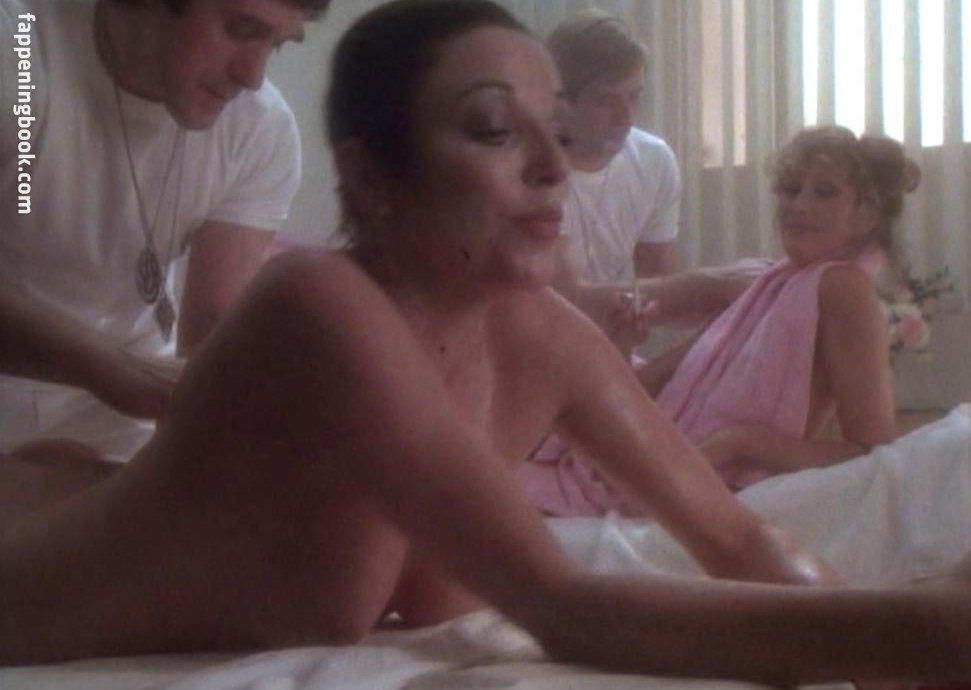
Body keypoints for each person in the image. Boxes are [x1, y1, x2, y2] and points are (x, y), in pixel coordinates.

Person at [1, 1, 969, 684]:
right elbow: (559, 603)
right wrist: (920, 631)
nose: (554, 168)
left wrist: (871, 659)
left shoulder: (538, 335)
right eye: (495, 130)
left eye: (554, 129)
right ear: (369, 177)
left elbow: (737, 537)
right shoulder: (319, 305)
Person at [0, 0, 328, 466]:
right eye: (240, 29)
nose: (252, 76)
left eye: (276, 45)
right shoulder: (17, 51)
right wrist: (113, 372)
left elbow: (212, 329)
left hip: (125, 405)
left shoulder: (262, 129)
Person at [517, 126, 909, 514]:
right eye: (790, 190)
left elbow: (870, 451)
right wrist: (618, 347)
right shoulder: (773, 280)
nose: (799, 206)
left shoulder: (844, 288)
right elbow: (665, 374)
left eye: (824, 192)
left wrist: (740, 443)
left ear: (867, 215)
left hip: (705, 480)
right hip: (660, 457)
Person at [547, 8, 681, 353]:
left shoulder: (654, 160)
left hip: (610, 349)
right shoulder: (532, 168)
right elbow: (568, 297)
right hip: (533, 349)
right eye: (605, 100)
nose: (626, 116)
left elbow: (658, 289)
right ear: (559, 101)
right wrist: (717, 289)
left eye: (634, 96)